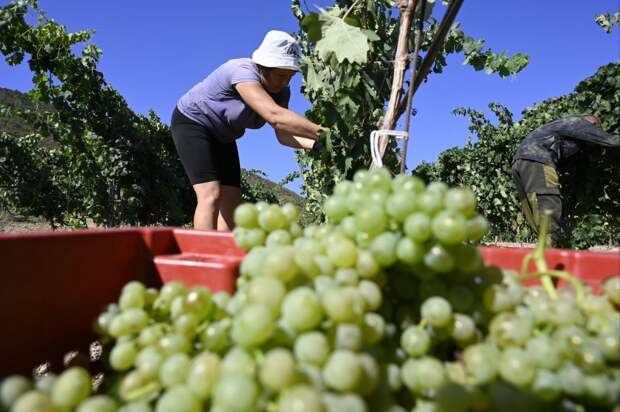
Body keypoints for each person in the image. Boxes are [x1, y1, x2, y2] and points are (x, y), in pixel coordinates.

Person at [171, 31, 324, 230]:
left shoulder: (281, 92)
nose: (285, 82)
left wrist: (318, 145)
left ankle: (226, 253)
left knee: (232, 202)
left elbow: (284, 134)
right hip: (193, 122)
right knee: (211, 194)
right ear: (264, 67)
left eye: (290, 77)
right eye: (280, 75)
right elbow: (275, 116)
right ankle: (204, 254)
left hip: (223, 136)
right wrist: (326, 133)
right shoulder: (242, 71)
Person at [511, 115, 619, 245]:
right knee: (548, 206)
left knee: (532, 209)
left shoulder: (563, 128)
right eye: (597, 129)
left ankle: (542, 251)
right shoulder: (578, 123)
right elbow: (611, 140)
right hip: (538, 159)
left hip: (519, 162)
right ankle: (550, 256)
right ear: (593, 124)